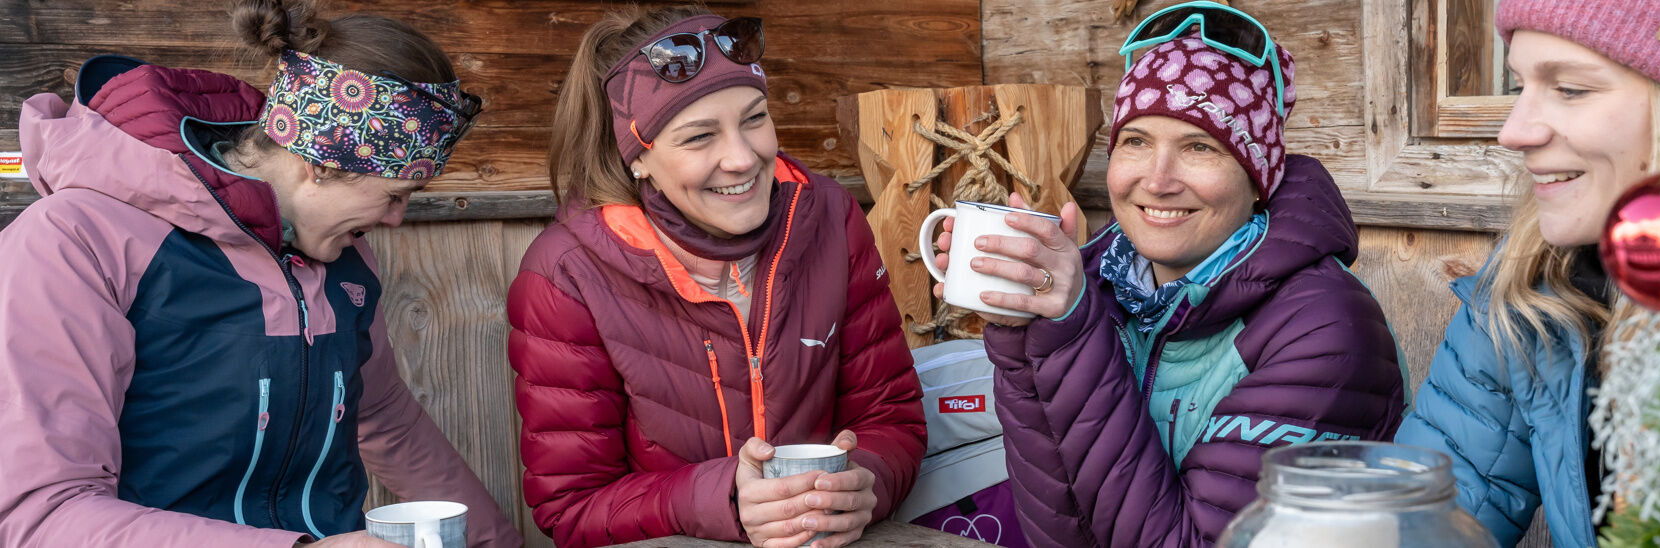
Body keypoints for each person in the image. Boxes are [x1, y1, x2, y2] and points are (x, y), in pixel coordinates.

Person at [0, 1, 518, 547]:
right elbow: (42, 516)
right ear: (318, 164)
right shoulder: (74, 244)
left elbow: (385, 417)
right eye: (394, 196)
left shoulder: (342, 258)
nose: (395, 219)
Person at [931, 2, 1406, 546]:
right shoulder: (1103, 282)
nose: (1156, 181)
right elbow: (1058, 525)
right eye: (1136, 141)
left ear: (1258, 180)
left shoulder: (1326, 333)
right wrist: (1023, 332)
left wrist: (1071, 329)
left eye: (1199, 147)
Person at [506, 5, 926, 548]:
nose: (742, 158)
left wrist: (868, 483)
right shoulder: (568, 275)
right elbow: (571, 507)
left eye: (754, 119)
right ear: (638, 158)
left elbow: (890, 420)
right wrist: (724, 498)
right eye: (699, 137)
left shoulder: (831, 220)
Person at [1393, 1, 1660, 546]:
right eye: (1518, 88)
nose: (1513, 132)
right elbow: (1432, 505)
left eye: (1571, 89)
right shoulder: (1527, 284)